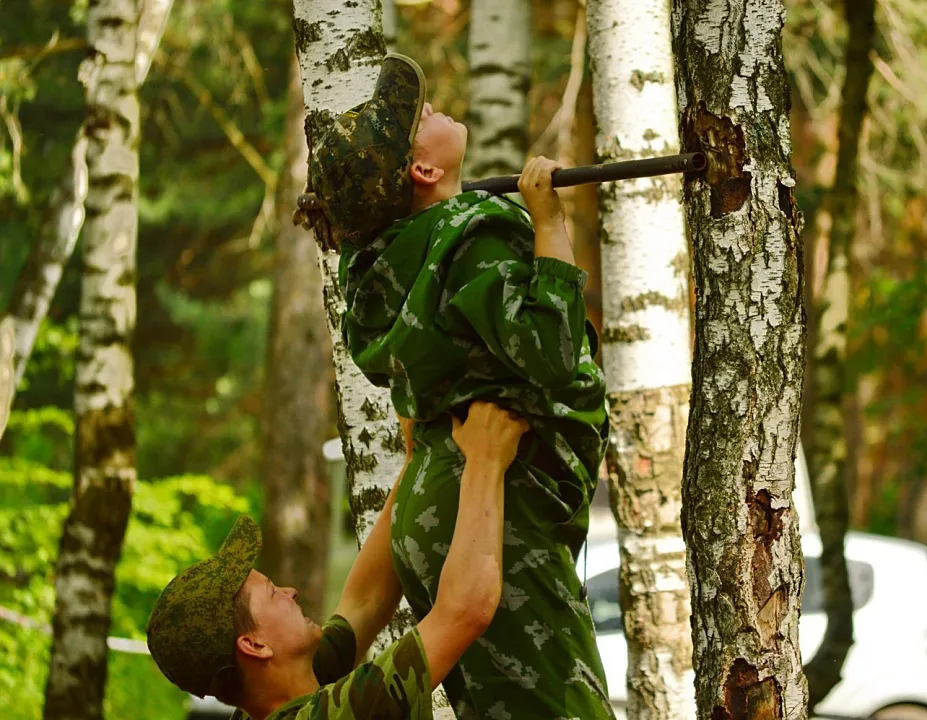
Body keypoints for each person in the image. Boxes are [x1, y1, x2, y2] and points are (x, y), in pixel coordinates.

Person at [297, 54, 614, 718]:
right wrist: (551, 227)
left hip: (441, 501)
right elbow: (552, 352)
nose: (435, 108)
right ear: (424, 171)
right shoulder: (472, 240)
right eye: (425, 116)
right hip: (497, 502)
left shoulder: (382, 262)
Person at [146, 401, 529, 720]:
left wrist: (412, 461)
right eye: (272, 593)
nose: (291, 591)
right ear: (255, 646)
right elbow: (465, 609)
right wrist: (486, 461)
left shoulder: (269, 696)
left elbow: (365, 602)